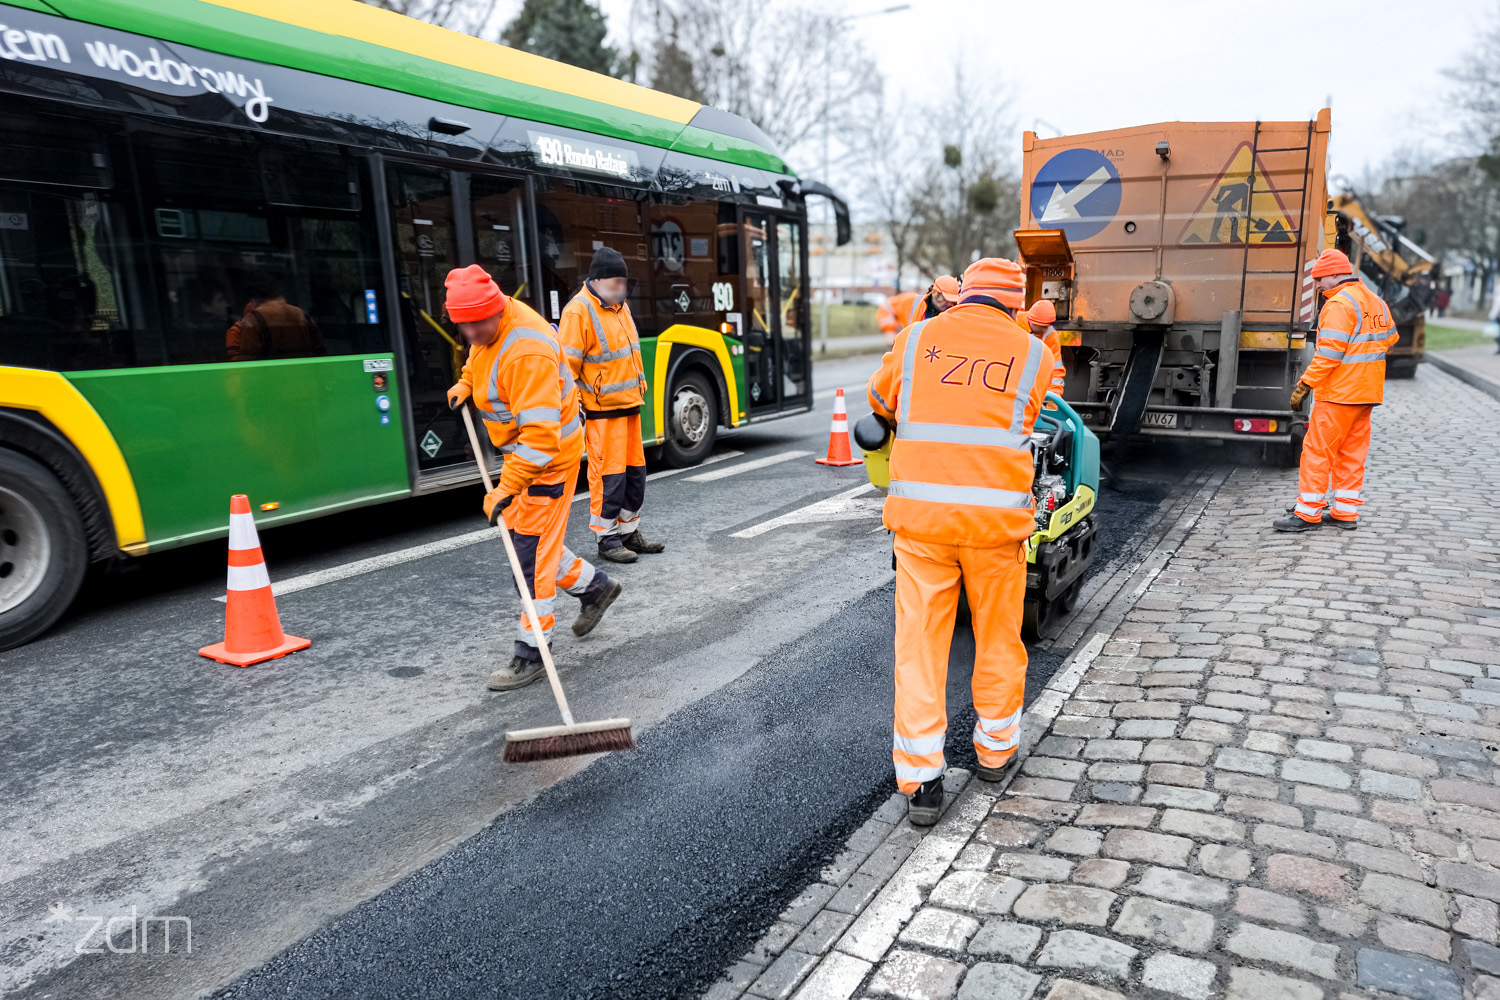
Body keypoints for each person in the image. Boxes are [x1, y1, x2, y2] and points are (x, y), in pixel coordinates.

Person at [866, 257, 1053, 825]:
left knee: (921, 648)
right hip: (995, 530)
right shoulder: (1035, 355)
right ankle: (995, 755)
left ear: (962, 294)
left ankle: (922, 782)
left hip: (921, 527)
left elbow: (878, 406)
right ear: (1017, 303)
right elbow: (1029, 419)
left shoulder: (916, 337)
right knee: (998, 637)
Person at [443, 264, 622, 691]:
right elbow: (481, 355)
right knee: (537, 545)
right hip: (525, 455)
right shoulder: (490, 326)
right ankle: (595, 588)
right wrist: (468, 382)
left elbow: (541, 439)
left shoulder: (528, 350)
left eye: (477, 324)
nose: (470, 333)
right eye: (462, 326)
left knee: (529, 559)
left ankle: (533, 652)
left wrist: (507, 488)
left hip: (548, 459)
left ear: (497, 309)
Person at [1274, 249, 1398, 532]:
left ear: (1333, 274)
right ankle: (1344, 512)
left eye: (1319, 279)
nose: (1317, 286)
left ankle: (1307, 514)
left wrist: (1306, 383)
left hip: (1339, 394)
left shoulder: (1339, 304)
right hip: (1366, 394)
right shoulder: (1376, 302)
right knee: (1351, 454)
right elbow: (1390, 340)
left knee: (1318, 452)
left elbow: (1328, 354)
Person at [557, 247, 665, 565]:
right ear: (599, 278)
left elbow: (630, 352)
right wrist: (575, 412)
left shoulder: (619, 306)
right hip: (602, 413)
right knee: (608, 478)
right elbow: (567, 371)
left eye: (624, 282)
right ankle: (607, 539)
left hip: (629, 405)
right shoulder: (578, 312)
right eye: (618, 281)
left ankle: (629, 532)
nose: (623, 287)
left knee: (635, 475)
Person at [226, 273, 324, 361]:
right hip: (305, 374)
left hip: (271, 376)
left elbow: (249, 359)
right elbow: (320, 350)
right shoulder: (301, 313)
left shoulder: (254, 317)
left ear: (253, 299)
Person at [1024, 299, 1068, 396]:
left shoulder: (1051, 336)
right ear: (1029, 321)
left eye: (1044, 328)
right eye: (1037, 328)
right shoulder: (1015, 322)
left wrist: (1054, 397)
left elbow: (1056, 371)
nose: (1042, 332)